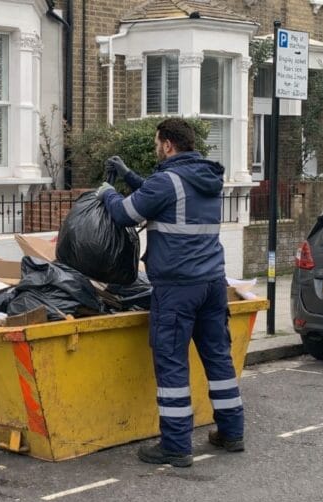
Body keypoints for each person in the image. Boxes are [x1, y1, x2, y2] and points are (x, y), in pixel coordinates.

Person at [96, 118, 244, 468]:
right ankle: (232, 432)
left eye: (156, 143)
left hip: (178, 287)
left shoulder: (167, 181)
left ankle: (177, 445)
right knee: (218, 358)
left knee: (172, 362)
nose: (155, 148)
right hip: (213, 283)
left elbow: (123, 214)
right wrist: (130, 175)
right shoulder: (206, 179)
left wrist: (107, 190)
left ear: (167, 145)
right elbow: (161, 196)